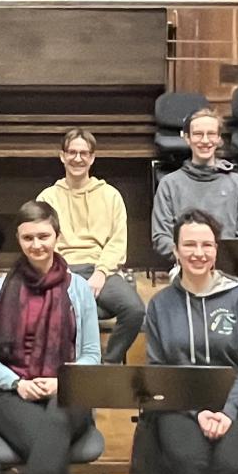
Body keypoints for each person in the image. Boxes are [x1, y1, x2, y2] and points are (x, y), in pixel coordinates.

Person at [141, 210, 238, 474]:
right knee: (189, 463)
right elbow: (159, 372)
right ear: (175, 250)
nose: (198, 253)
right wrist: (197, 411)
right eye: (189, 245)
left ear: (216, 250)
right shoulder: (159, 305)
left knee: (232, 467)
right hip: (181, 404)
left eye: (207, 245)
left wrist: (228, 411)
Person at [0, 201, 102, 474]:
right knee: (49, 449)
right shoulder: (1, 288)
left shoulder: (79, 289)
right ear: (18, 240)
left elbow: (92, 356)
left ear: (57, 237)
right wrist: (17, 383)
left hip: (70, 390)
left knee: (54, 428)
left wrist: (62, 382)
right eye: (28, 238)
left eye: (43, 236)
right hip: (12, 392)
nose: (36, 245)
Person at [35, 129, 145, 364]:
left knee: (135, 310)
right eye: (72, 152)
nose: (77, 158)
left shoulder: (110, 195)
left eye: (83, 153)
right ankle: (67, 368)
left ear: (92, 158)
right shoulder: (47, 197)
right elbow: (42, 242)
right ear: (62, 156)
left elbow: (117, 242)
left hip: (100, 269)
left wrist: (101, 273)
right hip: (63, 270)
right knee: (55, 312)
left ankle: (108, 364)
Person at [150, 108, 238, 260]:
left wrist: (215, 260)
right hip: (184, 266)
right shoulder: (169, 184)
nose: (205, 140)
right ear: (187, 138)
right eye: (198, 134)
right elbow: (161, 238)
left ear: (219, 139)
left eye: (211, 134)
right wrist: (191, 258)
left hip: (227, 269)